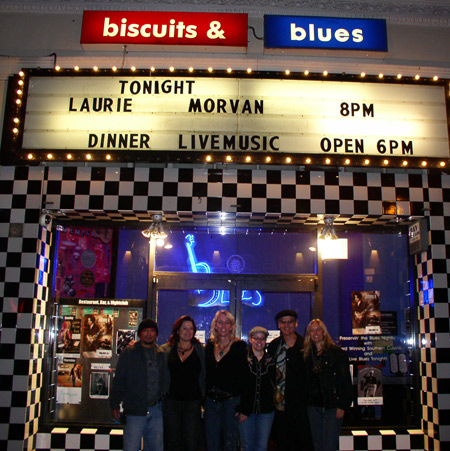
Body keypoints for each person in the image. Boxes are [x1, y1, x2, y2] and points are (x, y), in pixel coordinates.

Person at [110, 318, 166, 451]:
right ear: (140, 334)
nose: (148, 334)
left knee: (156, 447)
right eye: (145, 331)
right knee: (131, 447)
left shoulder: (161, 354)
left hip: (156, 410)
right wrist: (114, 404)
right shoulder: (128, 353)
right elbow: (119, 380)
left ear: (156, 334)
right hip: (134, 410)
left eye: (152, 331)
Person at [303, 319, 353, 451]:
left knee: (329, 445)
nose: (315, 333)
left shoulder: (337, 353)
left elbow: (345, 381)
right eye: (312, 330)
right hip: (313, 407)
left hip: (332, 406)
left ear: (324, 332)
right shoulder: (306, 355)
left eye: (318, 329)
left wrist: (342, 405)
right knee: (317, 445)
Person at [267, 310, 312, 451]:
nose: (287, 325)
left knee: (302, 443)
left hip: (300, 406)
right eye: (283, 322)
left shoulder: (305, 345)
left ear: (296, 324)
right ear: (279, 325)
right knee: (282, 443)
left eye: (290, 321)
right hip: (279, 406)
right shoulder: (273, 346)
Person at [161, 315, 206, 451]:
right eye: (184, 328)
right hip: (171, 403)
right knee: (172, 442)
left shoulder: (200, 350)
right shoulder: (166, 350)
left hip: (193, 403)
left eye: (191, 328)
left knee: (191, 443)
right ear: (177, 331)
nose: (188, 331)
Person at [204, 310, 247, 451]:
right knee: (212, 444)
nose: (223, 326)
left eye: (227, 322)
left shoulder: (239, 347)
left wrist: (244, 408)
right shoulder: (209, 346)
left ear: (231, 326)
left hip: (231, 403)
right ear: (215, 325)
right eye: (220, 322)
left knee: (230, 444)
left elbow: (245, 378)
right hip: (211, 403)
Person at [236, 326, 276, 451]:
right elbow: (238, 385)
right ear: (250, 340)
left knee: (262, 446)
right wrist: (240, 408)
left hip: (266, 411)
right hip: (246, 410)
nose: (259, 341)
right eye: (256, 338)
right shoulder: (242, 360)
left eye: (262, 339)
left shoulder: (271, 361)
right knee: (246, 445)